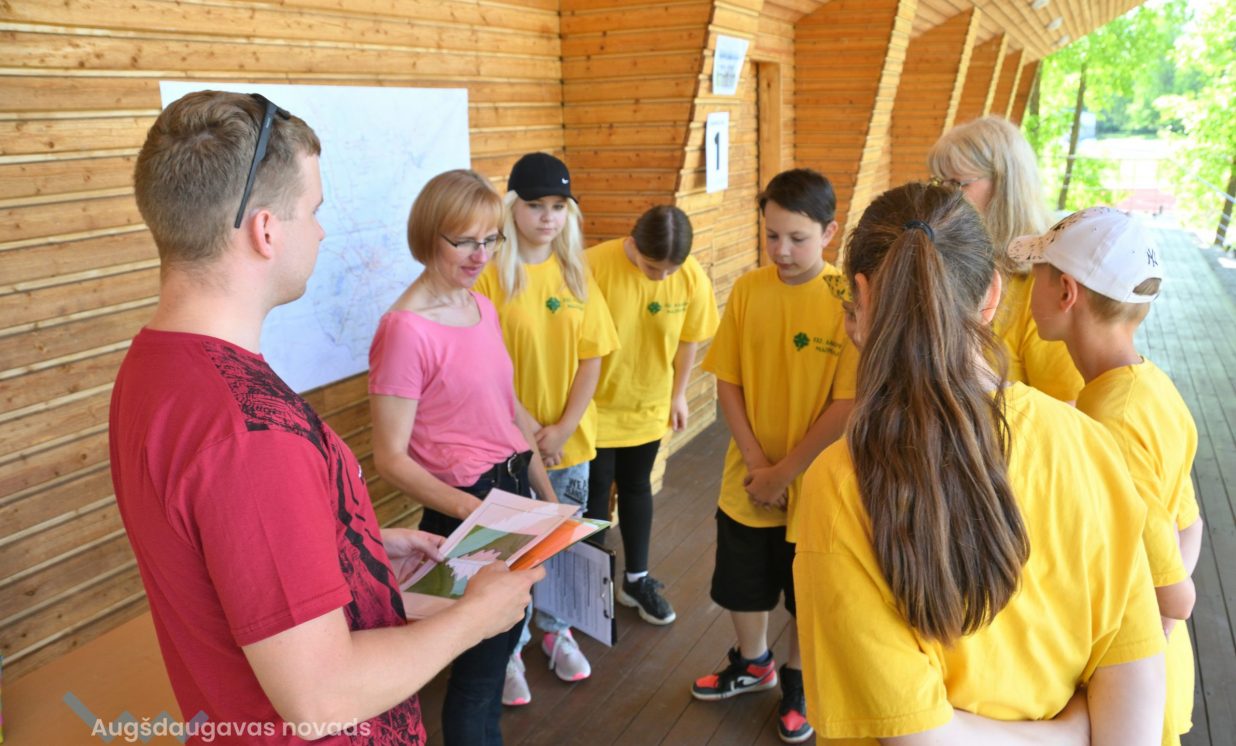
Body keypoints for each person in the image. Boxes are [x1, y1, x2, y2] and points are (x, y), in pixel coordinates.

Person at [110, 91, 540, 746]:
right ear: (265, 231)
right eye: (313, 210)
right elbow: (322, 695)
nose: (320, 231)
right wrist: (475, 618)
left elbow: (228, 557)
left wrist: (351, 548)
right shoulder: (249, 436)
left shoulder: (153, 366)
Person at [794, 183, 1167, 744]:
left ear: (862, 299)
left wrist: (1068, 736)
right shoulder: (1088, 442)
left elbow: (917, 734)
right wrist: (1072, 732)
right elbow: (1134, 681)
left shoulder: (841, 480)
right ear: (992, 294)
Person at [368, 168, 557, 745]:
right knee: (477, 677)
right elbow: (390, 458)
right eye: (465, 242)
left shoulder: (482, 307)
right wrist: (475, 513)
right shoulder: (405, 330)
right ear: (429, 236)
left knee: (500, 652)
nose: (481, 256)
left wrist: (550, 501)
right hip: (467, 508)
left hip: (514, 496)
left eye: (491, 239)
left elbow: (510, 413)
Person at [1012, 207, 1204, 745]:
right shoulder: (1152, 388)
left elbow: (1176, 597)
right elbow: (1189, 525)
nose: (1026, 291)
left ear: (1065, 292)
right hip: (1157, 674)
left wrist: (1152, 631)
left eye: (1035, 275)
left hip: (1128, 695)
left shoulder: (1107, 425)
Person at [690, 169, 856, 744]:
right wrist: (759, 465)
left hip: (815, 483)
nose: (781, 250)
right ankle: (753, 661)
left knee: (806, 594)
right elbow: (728, 380)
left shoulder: (846, 300)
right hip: (749, 479)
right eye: (771, 236)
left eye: (797, 238)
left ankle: (798, 680)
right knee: (742, 584)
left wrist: (786, 472)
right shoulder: (748, 290)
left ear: (830, 232)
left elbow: (847, 404)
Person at [474, 152, 619, 703]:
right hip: (506, 441)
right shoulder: (491, 274)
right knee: (512, 549)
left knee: (558, 544)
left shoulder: (577, 272)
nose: (548, 217)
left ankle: (557, 630)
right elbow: (484, 364)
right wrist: (532, 429)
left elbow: (592, 358)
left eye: (558, 206)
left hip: (569, 445)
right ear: (513, 207)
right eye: (536, 205)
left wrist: (561, 429)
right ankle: (510, 647)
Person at [586, 205, 719, 625]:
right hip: (593, 409)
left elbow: (688, 340)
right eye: (652, 267)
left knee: (636, 487)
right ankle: (589, 586)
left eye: (670, 270)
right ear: (633, 243)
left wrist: (679, 395)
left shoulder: (690, 275)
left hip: (648, 404)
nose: (661, 278)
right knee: (594, 497)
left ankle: (635, 581)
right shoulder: (593, 267)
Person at [928, 115, 1083, 402]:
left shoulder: (1045, 283)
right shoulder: (941, 264)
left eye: (958, 184)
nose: (943, 196)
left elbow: (1067, 408)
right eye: (939, 182)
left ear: (1006, 188)